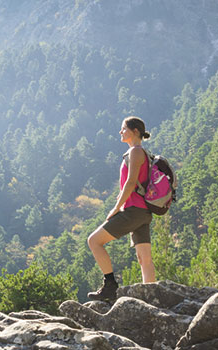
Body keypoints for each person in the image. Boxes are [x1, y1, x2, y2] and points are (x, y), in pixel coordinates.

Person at [86, 116, 156, 302]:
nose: (120, 132)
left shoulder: (135, 152)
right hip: (144, 212)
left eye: (123, 128)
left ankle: (110, 285)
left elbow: (131, 182)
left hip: (133, 210)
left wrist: (116, 208)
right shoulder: (143, 154)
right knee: (144, 259)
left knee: (94, 241)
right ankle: (151, 296)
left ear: (135, 131)